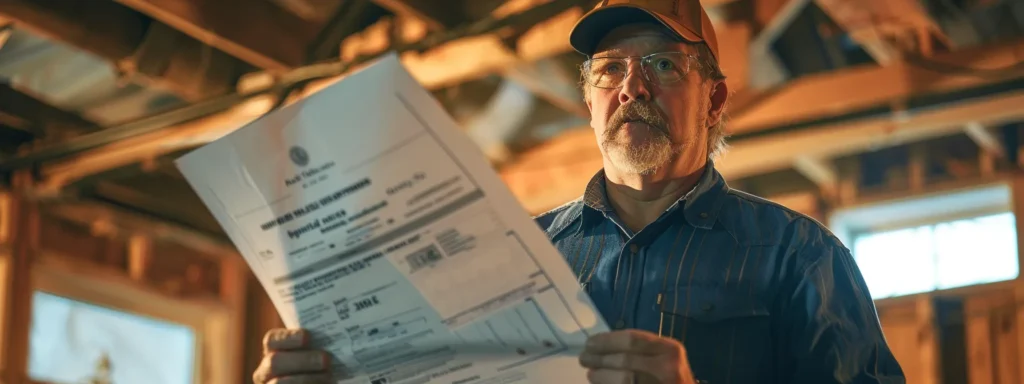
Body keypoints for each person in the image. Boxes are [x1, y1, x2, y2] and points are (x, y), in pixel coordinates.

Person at [252, 0, 906, 383]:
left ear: (715, 98)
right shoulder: (512, 253)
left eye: (661, 65)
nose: (632, 88)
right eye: (610, 70)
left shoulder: (800, 257)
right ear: (590, 101)